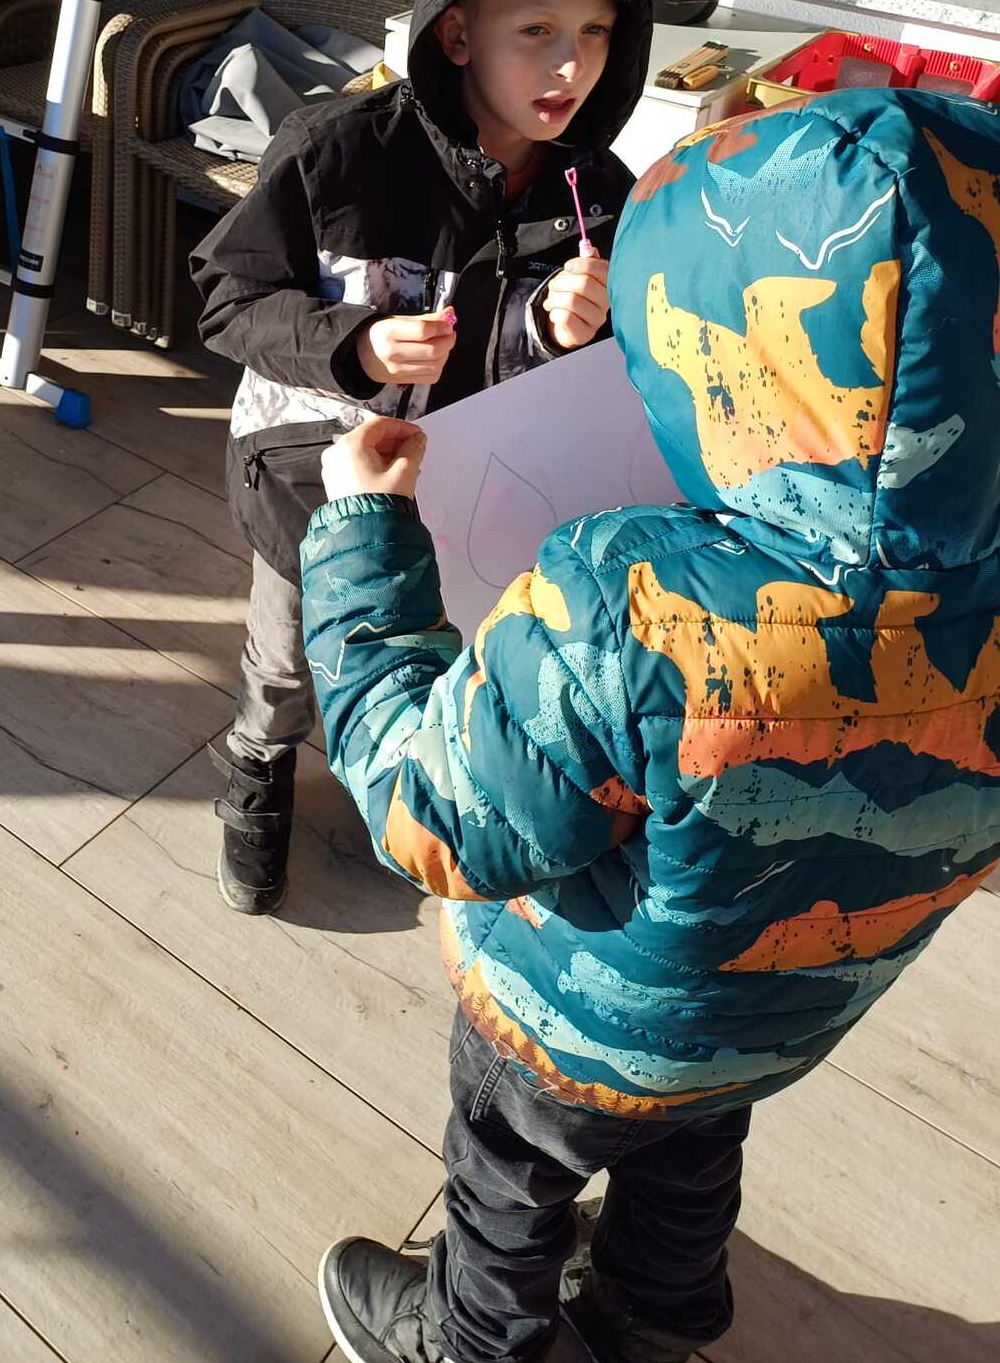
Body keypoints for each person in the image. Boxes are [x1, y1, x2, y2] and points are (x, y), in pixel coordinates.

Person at [300, 87, 1000, 1363]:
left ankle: (471, 1340)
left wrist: (361, 543)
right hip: (788, 1013)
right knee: (694, 1143)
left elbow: (427, 810)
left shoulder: (633, 602)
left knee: (508, 1170)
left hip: (572, 1019)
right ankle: (654, 1321)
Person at [190, 0, 651, 914]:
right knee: (291, 652)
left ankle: (420, 781)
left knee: (451, 649)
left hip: (484, 493)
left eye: (594, 33)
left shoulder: (600, 193)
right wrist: (354, 346)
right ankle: (258, 761)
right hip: (320, 479)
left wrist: (569, 329)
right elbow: (227, 298)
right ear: (457, 32)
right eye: (535, 31)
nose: (569, 67)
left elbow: (602, 382)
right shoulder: (337, 151)